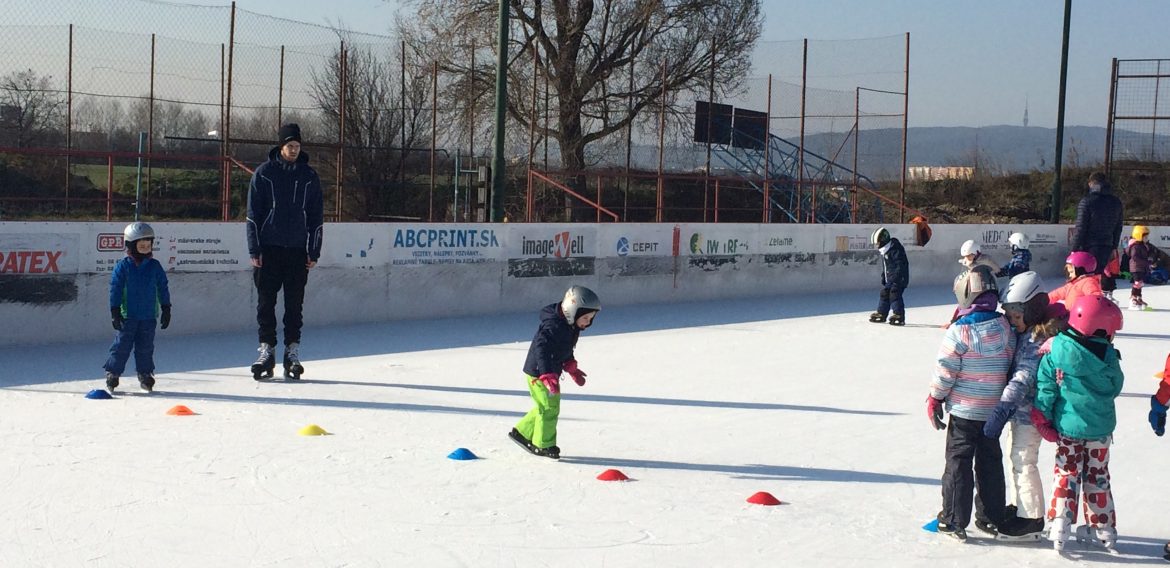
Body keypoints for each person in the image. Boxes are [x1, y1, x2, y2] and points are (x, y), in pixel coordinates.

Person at [927, 265, 1016, 541]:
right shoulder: (1006, 326)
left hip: (965, 411)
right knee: (990, 462)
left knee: (958, 462)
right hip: (994, 411)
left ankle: (953, 519)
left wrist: (935, 397)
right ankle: (991, 516)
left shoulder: (958, 332)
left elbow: (945, 369)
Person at [1031, 295, 1124, 553]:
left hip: (1068, 430)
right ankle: (1103, 528)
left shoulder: (1054, 351)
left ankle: (1060, 522)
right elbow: (1116, 387)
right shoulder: (1108, 356)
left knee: (1066, 473)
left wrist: (1042, 415)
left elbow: (1045, 389)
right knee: (1098, 476)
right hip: (1100, 431)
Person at [982, 272, 1067, 541]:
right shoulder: (1026, 332)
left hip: (1031, 413)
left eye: (1016, 316)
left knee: (1023, 460)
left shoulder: (1036, 339)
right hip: (1021, 413)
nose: (1011, 321)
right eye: (1009, 316)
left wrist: (1003, 406)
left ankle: (1031, 517)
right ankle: (1021, 506)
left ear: (1032, 311)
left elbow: (1024, 376)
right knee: (1014, 456)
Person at [246, 123, 324, 381]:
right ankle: (266, 351)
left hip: (296, 251)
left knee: (294, 305)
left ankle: (292, 352)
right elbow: (253, 216)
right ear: (281, 146)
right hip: (268, 250)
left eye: (297, 146)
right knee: (266, 303)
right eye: (289, 145)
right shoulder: (264, 174)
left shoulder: (309, 177)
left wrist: (314, 250)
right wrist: (254, 248)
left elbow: (316, 217)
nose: (293, 150)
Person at [509, 286, 601, 460]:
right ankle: (543, 444)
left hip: (547, 372)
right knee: (550, 408)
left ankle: (521, 432)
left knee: (543, 407)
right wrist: (546, 374)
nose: (588, 323)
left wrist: (571, 366)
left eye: (591, 319)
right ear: (572, 311)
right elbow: (541, 348)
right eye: (586, 318)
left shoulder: (569, 325)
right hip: (539, 374)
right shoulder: (554, 325)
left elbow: (563, 348)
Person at [103, 222, 172, 393]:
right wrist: (115, 310)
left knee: (146, 347)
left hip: (148, 315)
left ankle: (145, 373)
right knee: (121, 346)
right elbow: (115, 289)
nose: (145, 249)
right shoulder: (123, 267)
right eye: (141, 246)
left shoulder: (154, 266)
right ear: (131, 246)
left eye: (148, 245)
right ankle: (113, 373)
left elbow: (163, 286)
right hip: (128, 316)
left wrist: (166, 307)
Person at [1071, 171, 1124, 287]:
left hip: (1088, 247)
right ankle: (1103, 299)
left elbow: (1080, 228)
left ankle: (1088, 302)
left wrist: (1074, 249)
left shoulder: (1087, 202)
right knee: (1102, 276)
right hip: (1107, 245)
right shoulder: (1116, 202)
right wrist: (1113, 246)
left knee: (1086, 279)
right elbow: (1118, 227)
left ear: (1091, 184)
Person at [867, 227, 909, 326]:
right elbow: (887, 266)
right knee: (885, 293)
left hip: (899, 278)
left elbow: (900, 264)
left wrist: (897, 276)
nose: (877, 246)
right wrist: (884, 276)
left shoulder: (895, 249)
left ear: (883, 240)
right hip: (890, 278)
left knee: (894, 294)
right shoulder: (886, 250)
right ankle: (882, 313)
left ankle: (899, 314)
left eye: (877, 243)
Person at [1125, 225, 1154, 311]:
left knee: (1140, 284)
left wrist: (1150, 259)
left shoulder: (1143, 246)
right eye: (1145, 236)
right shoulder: (1135, 246)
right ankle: (1133, 299)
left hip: (1141, 268)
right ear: (1139, 236)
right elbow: (1135, 257)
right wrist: (1147, 262)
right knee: (1137, 283)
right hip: (1136, 268)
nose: (1147, 238)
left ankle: (1138, 298)